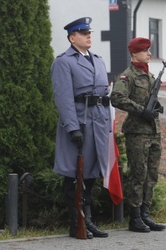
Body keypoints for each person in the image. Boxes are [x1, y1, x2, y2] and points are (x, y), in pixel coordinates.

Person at [51, 17, 111, 239]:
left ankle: (89, 220)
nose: (88, 36)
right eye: (83, 33)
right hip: (79, 123)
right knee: (75, 174)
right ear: (72, 37)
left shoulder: (98, 60)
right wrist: (72, 127)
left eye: (89, 32)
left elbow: (103, 94)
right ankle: (77, 222)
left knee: (91, 174)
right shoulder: (63, 62)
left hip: (98, 124)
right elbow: (63, 97)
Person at [111, 37, 166, 233]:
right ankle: (134, 218)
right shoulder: (128, 76)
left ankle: (145, 214)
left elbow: (150, 100)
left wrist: (156, 107)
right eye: (145, 51)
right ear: (135, 53)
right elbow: (116, 98)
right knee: (139, 175)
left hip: (153, 131)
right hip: (137, 133)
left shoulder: (149, 76)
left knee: (151, 175)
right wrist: (141, 110)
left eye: (150, 50)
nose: (149, 54)